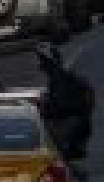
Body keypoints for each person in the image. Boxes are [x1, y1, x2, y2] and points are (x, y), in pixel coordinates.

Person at [38, 41, 94, 173]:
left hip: (70, 121)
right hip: (71, 121)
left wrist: (45, 108)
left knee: (42, 139)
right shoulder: (58, 79)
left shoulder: (62, 79)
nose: (41, 65)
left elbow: (60, 106)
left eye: (43, 61)